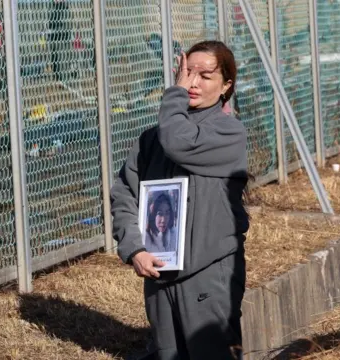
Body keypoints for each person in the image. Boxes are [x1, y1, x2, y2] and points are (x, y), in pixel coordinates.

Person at [111, 40, 249, 360]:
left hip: (209, 276)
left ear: (226, 85)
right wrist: (135, 248)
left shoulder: (229, 133)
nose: (192, 83)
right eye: (186, 73)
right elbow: (125, 194)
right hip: (160, 276)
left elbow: (179, 143)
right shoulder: (151, 139)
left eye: (205, 75)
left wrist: (172, 98)